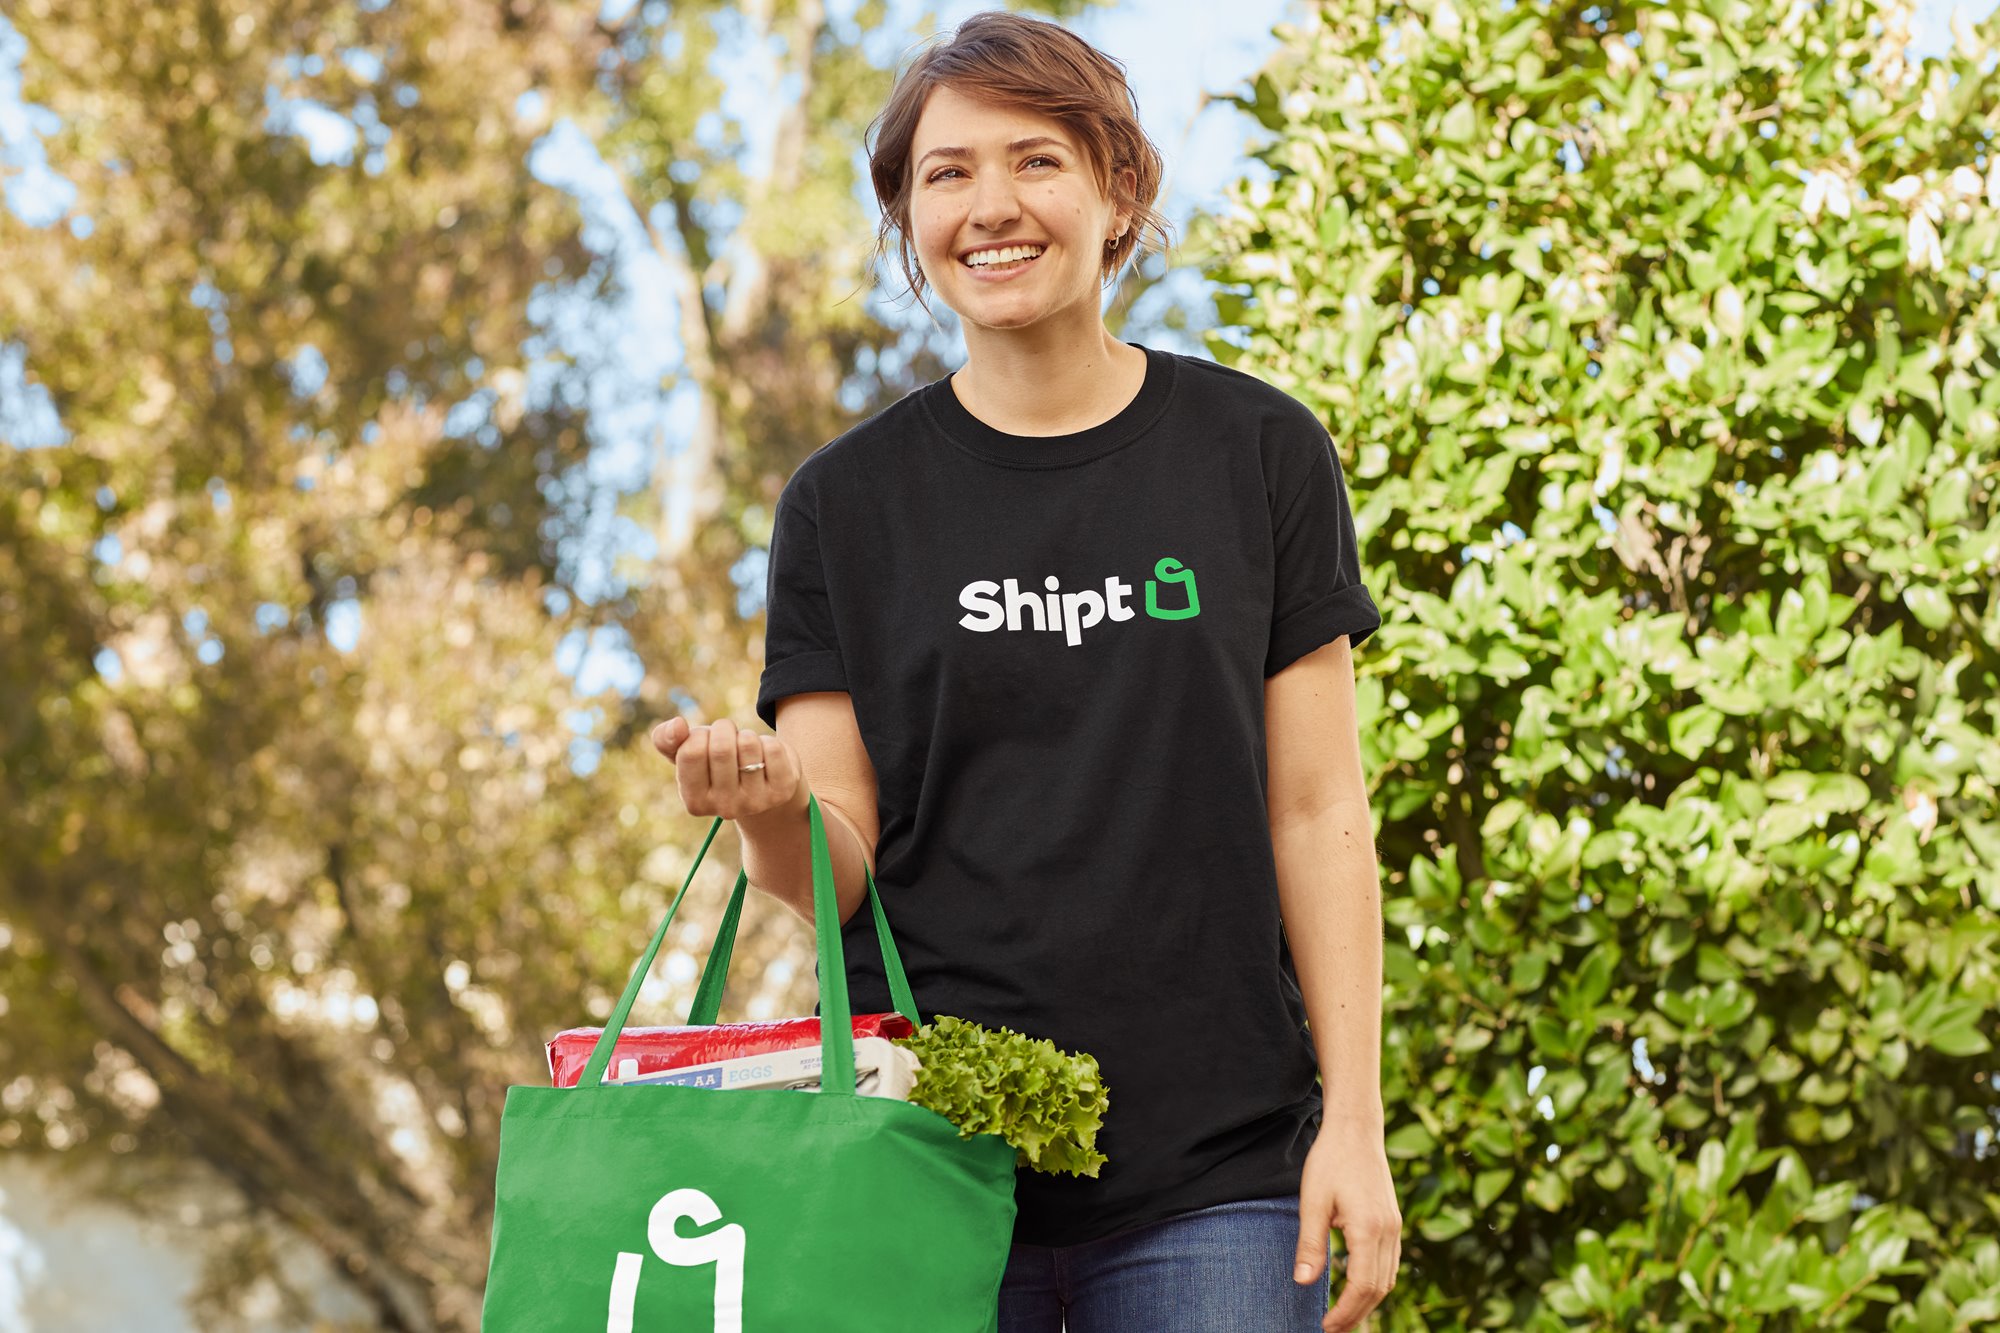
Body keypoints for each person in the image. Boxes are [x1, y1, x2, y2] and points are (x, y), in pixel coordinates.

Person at [649, 11, 1401, 1332]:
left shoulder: (1260, 454)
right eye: (946, 174)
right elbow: (835, 867)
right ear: (907, 217)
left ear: (1120, 189)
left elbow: (1319, 814)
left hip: (1216, 1175)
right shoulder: (843, 506)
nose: (991, 206)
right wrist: (762, 804)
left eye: (1036, 160)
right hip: (917, 1162)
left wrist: (1355, 1121)